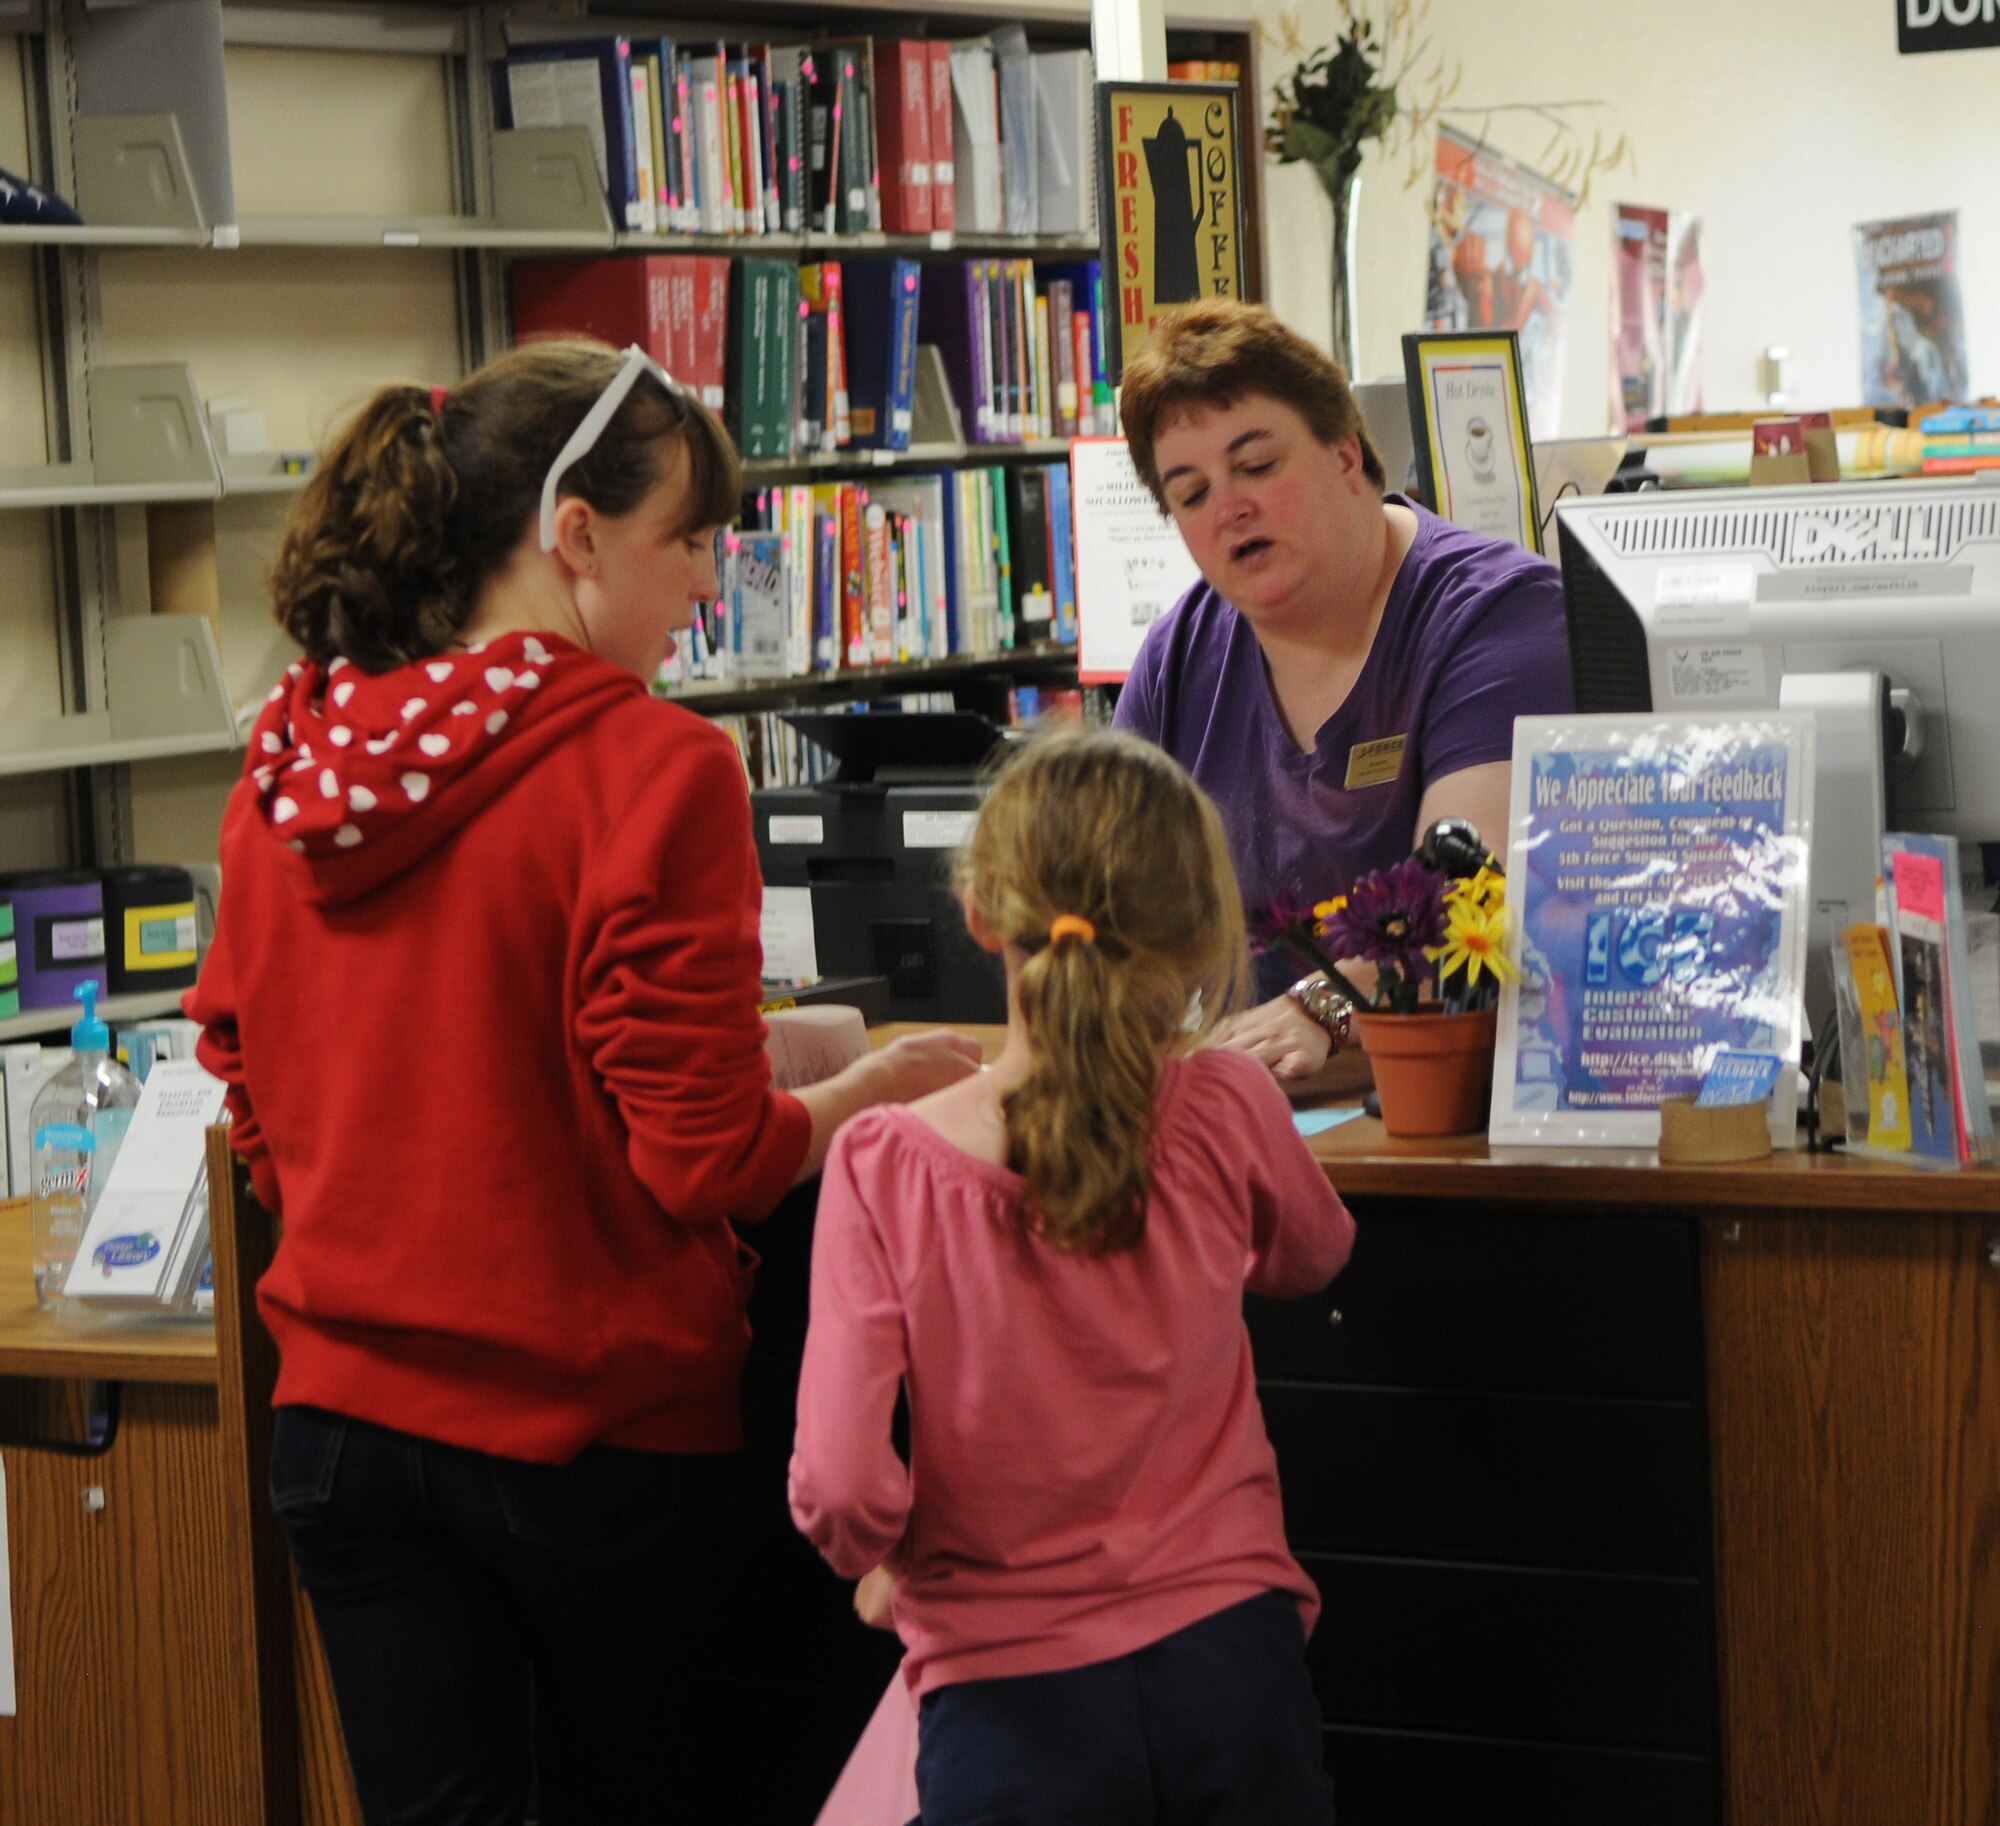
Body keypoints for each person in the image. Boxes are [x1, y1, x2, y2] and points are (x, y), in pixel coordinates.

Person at [187, 337, 979, 1825]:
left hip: (344, 1428)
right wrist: (867, 1095)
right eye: (687, 537)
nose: (704, 581)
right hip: (585, 1439)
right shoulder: (652, 764)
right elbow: (703, 1161)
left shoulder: (291, 765)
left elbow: (255, 1079)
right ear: (574, 533)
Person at [789, 730, 1355, 1826]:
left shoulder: (886, 1161)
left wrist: (886, 1558)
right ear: (1194, 937)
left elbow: (843, 1482)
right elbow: (1313, 1253)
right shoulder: (1228, 1101)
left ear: (978, 914)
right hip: (1232, 1666)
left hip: (1007, 1701)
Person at [1113, 299, 1574, 1081]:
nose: (1230, 507)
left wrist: (1324, 1009)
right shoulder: (1176, 659)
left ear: (1346, 454)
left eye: (1257, 465)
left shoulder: (1501, 618)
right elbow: (1099, 906)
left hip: (1450, 1128)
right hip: (1237, 1105)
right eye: (1191, 495)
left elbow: (1472, 902)